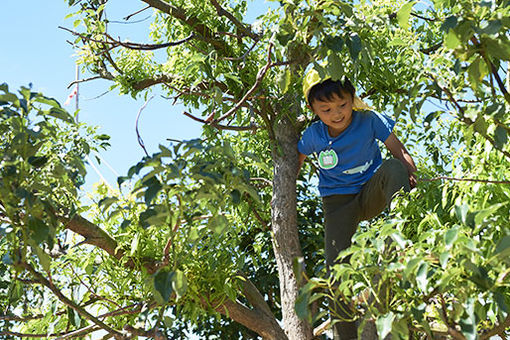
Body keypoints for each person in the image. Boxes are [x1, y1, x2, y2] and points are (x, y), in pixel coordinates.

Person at [297, 70, 417, 340]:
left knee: (394, 167)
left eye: (342, 104)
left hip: (371, 190)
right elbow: (297, 159)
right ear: (313, 109)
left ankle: (399, 234)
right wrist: (286, 187)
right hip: (338, 202)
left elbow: (398, 149)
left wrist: (412, 174)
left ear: (353, 99)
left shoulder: (368, 120)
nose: (337, 113)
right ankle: (345, 336)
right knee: (336, 273)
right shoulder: (314, 135)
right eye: (326, 109)